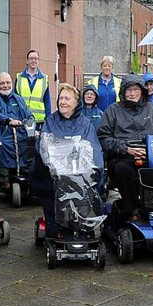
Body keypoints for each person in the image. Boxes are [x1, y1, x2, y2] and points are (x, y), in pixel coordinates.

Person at [97, 74, 153, 222]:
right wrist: (126, 148)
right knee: (122, 170)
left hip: (152, 158)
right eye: (128, 90)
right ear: (123, 93)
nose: (132, 94)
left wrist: (152, 151)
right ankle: (130, 209)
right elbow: (103, 138)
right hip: (124, 157)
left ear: (142, 91)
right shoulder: (113, 110)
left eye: (135, 90)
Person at [31, 84, 104, 237]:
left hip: (79, 173)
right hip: (54, 174)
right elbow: (44, 146)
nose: (62, 102)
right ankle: (55, 228)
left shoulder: (85, 124)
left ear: (76, 103)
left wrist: (94, 169)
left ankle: (82, 226)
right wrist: (55, 164)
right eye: (61, 98)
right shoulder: (51, 121)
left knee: (87, 184)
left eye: (67, 99)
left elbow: (94, 148)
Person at [0, 72, 35, 192]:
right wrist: (8, 120)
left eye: (8, 82)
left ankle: (28, 176)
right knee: (2, 144)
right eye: (2, 83)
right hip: (2, 131)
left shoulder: (18, 99)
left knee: (31, 143)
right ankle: (3, 180)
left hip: (19, 131)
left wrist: (31, 128)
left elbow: (29, 115)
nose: (5, 85)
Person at [15, 49, 50, 125]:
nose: (33, 61)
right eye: (31, 58)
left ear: (38, 61)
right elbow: (14, 100)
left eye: (36, 58)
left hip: (39, 120)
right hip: (22, 119)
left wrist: (48, 120)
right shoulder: (19, 78)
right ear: (27, 61)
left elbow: (47, 101)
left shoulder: (44, 79)